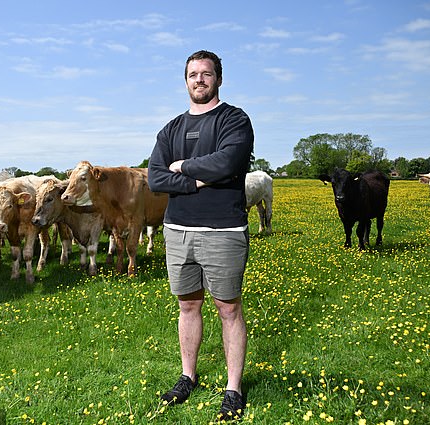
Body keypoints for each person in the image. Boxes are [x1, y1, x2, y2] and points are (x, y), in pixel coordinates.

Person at [147, 50, 254, 421]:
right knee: (187, 305)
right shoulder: (171, 128)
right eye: (193, 74)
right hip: (177, 230)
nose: (199, 80)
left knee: (228, 308)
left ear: (218, 79)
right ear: (186, 81)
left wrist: (183, 168)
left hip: (223, 229)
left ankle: (233, 388)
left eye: (206, 74)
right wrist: (199, 178)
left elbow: (229, 163)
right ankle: (187, 375)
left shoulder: (234, 120)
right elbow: (155, 178)